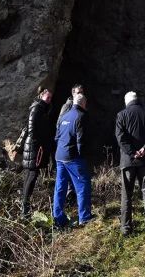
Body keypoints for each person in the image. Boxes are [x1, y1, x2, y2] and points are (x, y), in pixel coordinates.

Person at [115, 91, 145, 235]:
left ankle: (126, 228)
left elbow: (120, 137)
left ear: (126, 102)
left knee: (127, 194)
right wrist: (144, 148)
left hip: (128, 161)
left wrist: (132, 152)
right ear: (137, 100)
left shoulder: (121, 115)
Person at [53, 92, 93, 228]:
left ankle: (58, 218)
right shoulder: (81, 116)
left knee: (60, 187)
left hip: (59, 156)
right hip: (73, 157)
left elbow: (57, 136)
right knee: (82, 186)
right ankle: (85, 218)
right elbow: (80, 140)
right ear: (83, 103)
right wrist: (83, 155)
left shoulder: (65, 115)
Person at [18, 87, 54, 218]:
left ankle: (24, 206)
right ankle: (25, 208)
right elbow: (32, 128)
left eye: (51, 98)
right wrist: (39, 144)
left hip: (35, 145)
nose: (49, 100)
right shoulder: (37, 108)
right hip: (34, 146)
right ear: (41, 96)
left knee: (30, 175)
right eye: (47, 97)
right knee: (32, 175)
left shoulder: (43, 108)